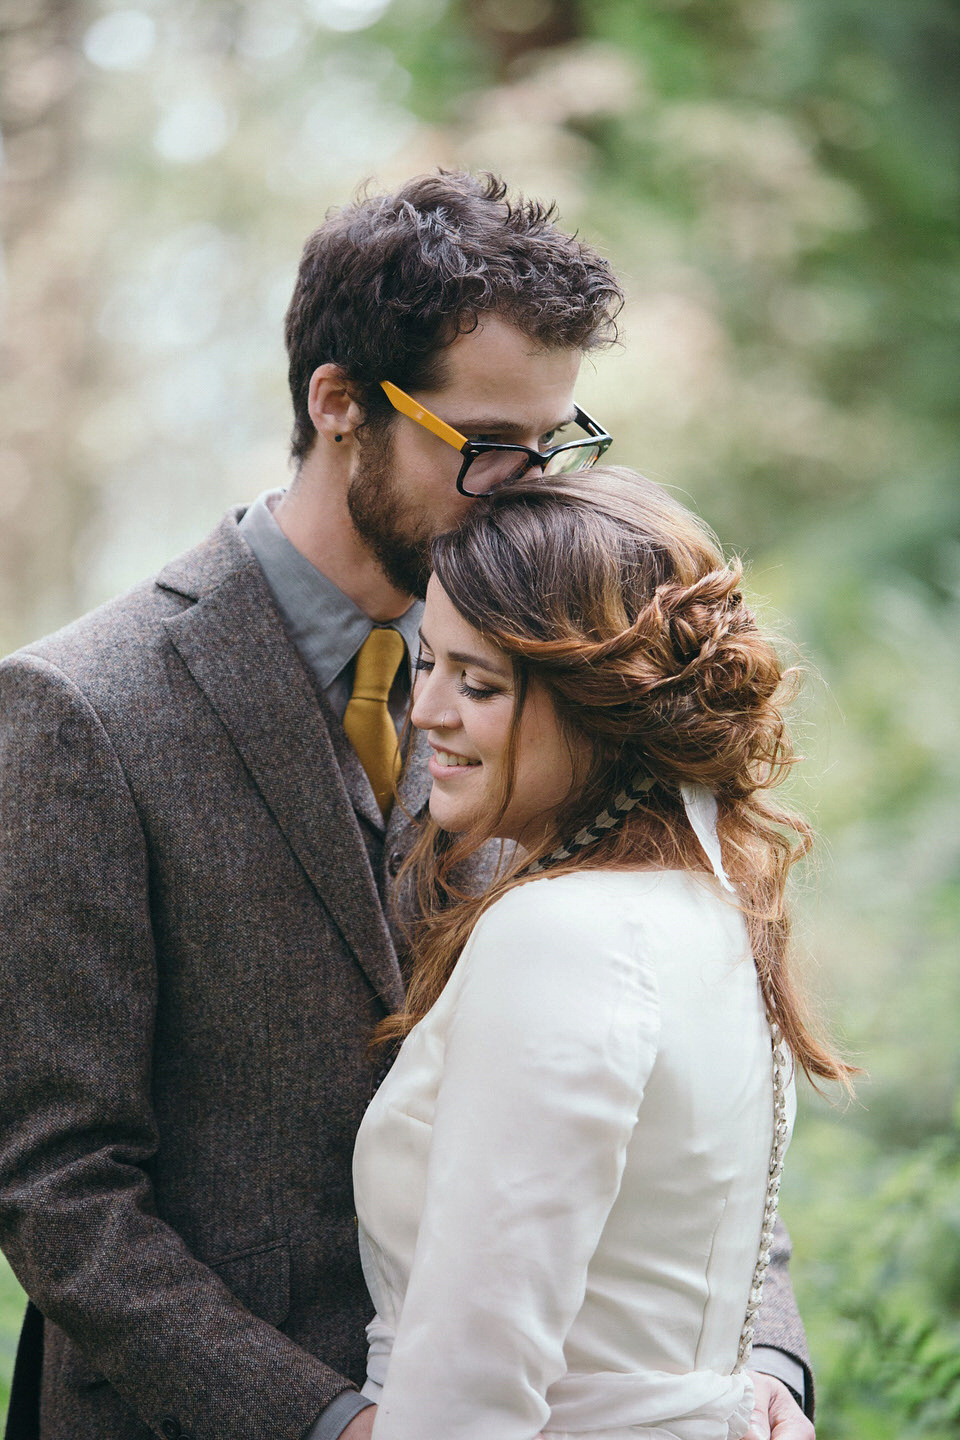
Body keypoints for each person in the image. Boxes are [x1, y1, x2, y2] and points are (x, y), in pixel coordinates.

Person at [0, 173, 812, 1440]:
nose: (524, 489)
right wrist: (330, 1420)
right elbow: (59, 1183)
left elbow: (684, 1080)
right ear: (337, 406)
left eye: (552, 446)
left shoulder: (566, 690)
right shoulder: (82, 710)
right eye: (485, 446)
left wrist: (758, 1360)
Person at [354, 468, 849, 1439]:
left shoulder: (559, 936)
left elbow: (467, 1396)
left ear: (599, 704)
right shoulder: (708, 899)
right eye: (429, 664)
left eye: (479, 683)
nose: (428, 714)